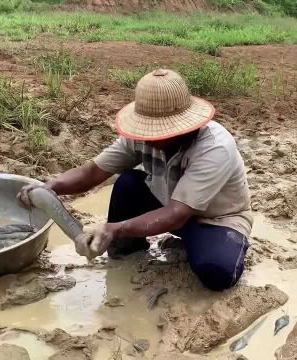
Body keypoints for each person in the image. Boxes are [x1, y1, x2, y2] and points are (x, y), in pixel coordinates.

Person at [17, 69, 252, 291]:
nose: (147, 137)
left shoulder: (215, 147)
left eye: (157, 131)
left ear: (183, 128)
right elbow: (92, 172)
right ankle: (128, 252)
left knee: (217, 272)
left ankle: (205, 243)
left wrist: (114, 229)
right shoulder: (140, 138)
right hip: (170, 204)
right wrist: (50, 187)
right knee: (128, 184)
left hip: (215, 219)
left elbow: (176, 214)